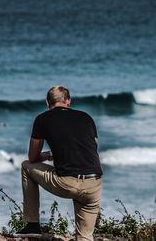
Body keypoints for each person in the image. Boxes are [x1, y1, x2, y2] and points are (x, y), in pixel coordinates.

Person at [14, 86, 103, 240]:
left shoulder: (42, 119)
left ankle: (32, 224)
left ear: (48, 103)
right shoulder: (86, 117)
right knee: (85, 237)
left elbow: (32, 157)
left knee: (26, 166)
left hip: (67, 183)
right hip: (94, 184)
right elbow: (92, 148)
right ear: (68, 101)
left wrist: (49, 155)